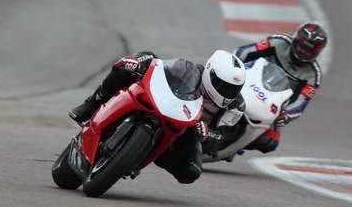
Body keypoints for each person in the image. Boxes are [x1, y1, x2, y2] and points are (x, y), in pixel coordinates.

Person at [68, 50, 246, 183]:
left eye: (233, 89)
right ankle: (92, 104)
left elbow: (222, 137)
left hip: (187, 130)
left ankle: (152, 153)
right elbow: (158, 66)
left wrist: (207, 134)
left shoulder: (235, 107)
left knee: (190, 172)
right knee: (140, 60)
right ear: (210, 72)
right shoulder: (188, 71)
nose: (227, 92)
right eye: (223, 85)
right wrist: (138, 63)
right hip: (160, 104)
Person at [233, 21, 328, 153]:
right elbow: (245, 51)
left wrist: (286, 115)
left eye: (309, 51)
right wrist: (233, 66)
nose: (303, 52)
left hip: (271, 105)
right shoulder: (278, 41)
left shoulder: (313, 74)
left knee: (270, 142)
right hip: (249, 85)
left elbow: (301, 103)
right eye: (302, 47)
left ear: (317, 53)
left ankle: (236, 146)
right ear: (295, 40)